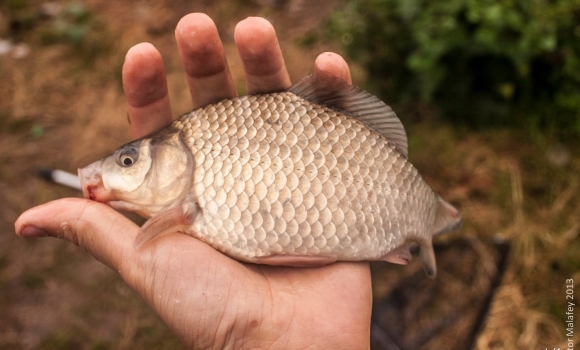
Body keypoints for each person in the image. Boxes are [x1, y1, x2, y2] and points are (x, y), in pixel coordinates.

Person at [15, 13, 372, 349]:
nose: (120, 167)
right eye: (128, 160)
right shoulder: (180, 201)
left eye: (128, 160)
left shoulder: (181, 207)